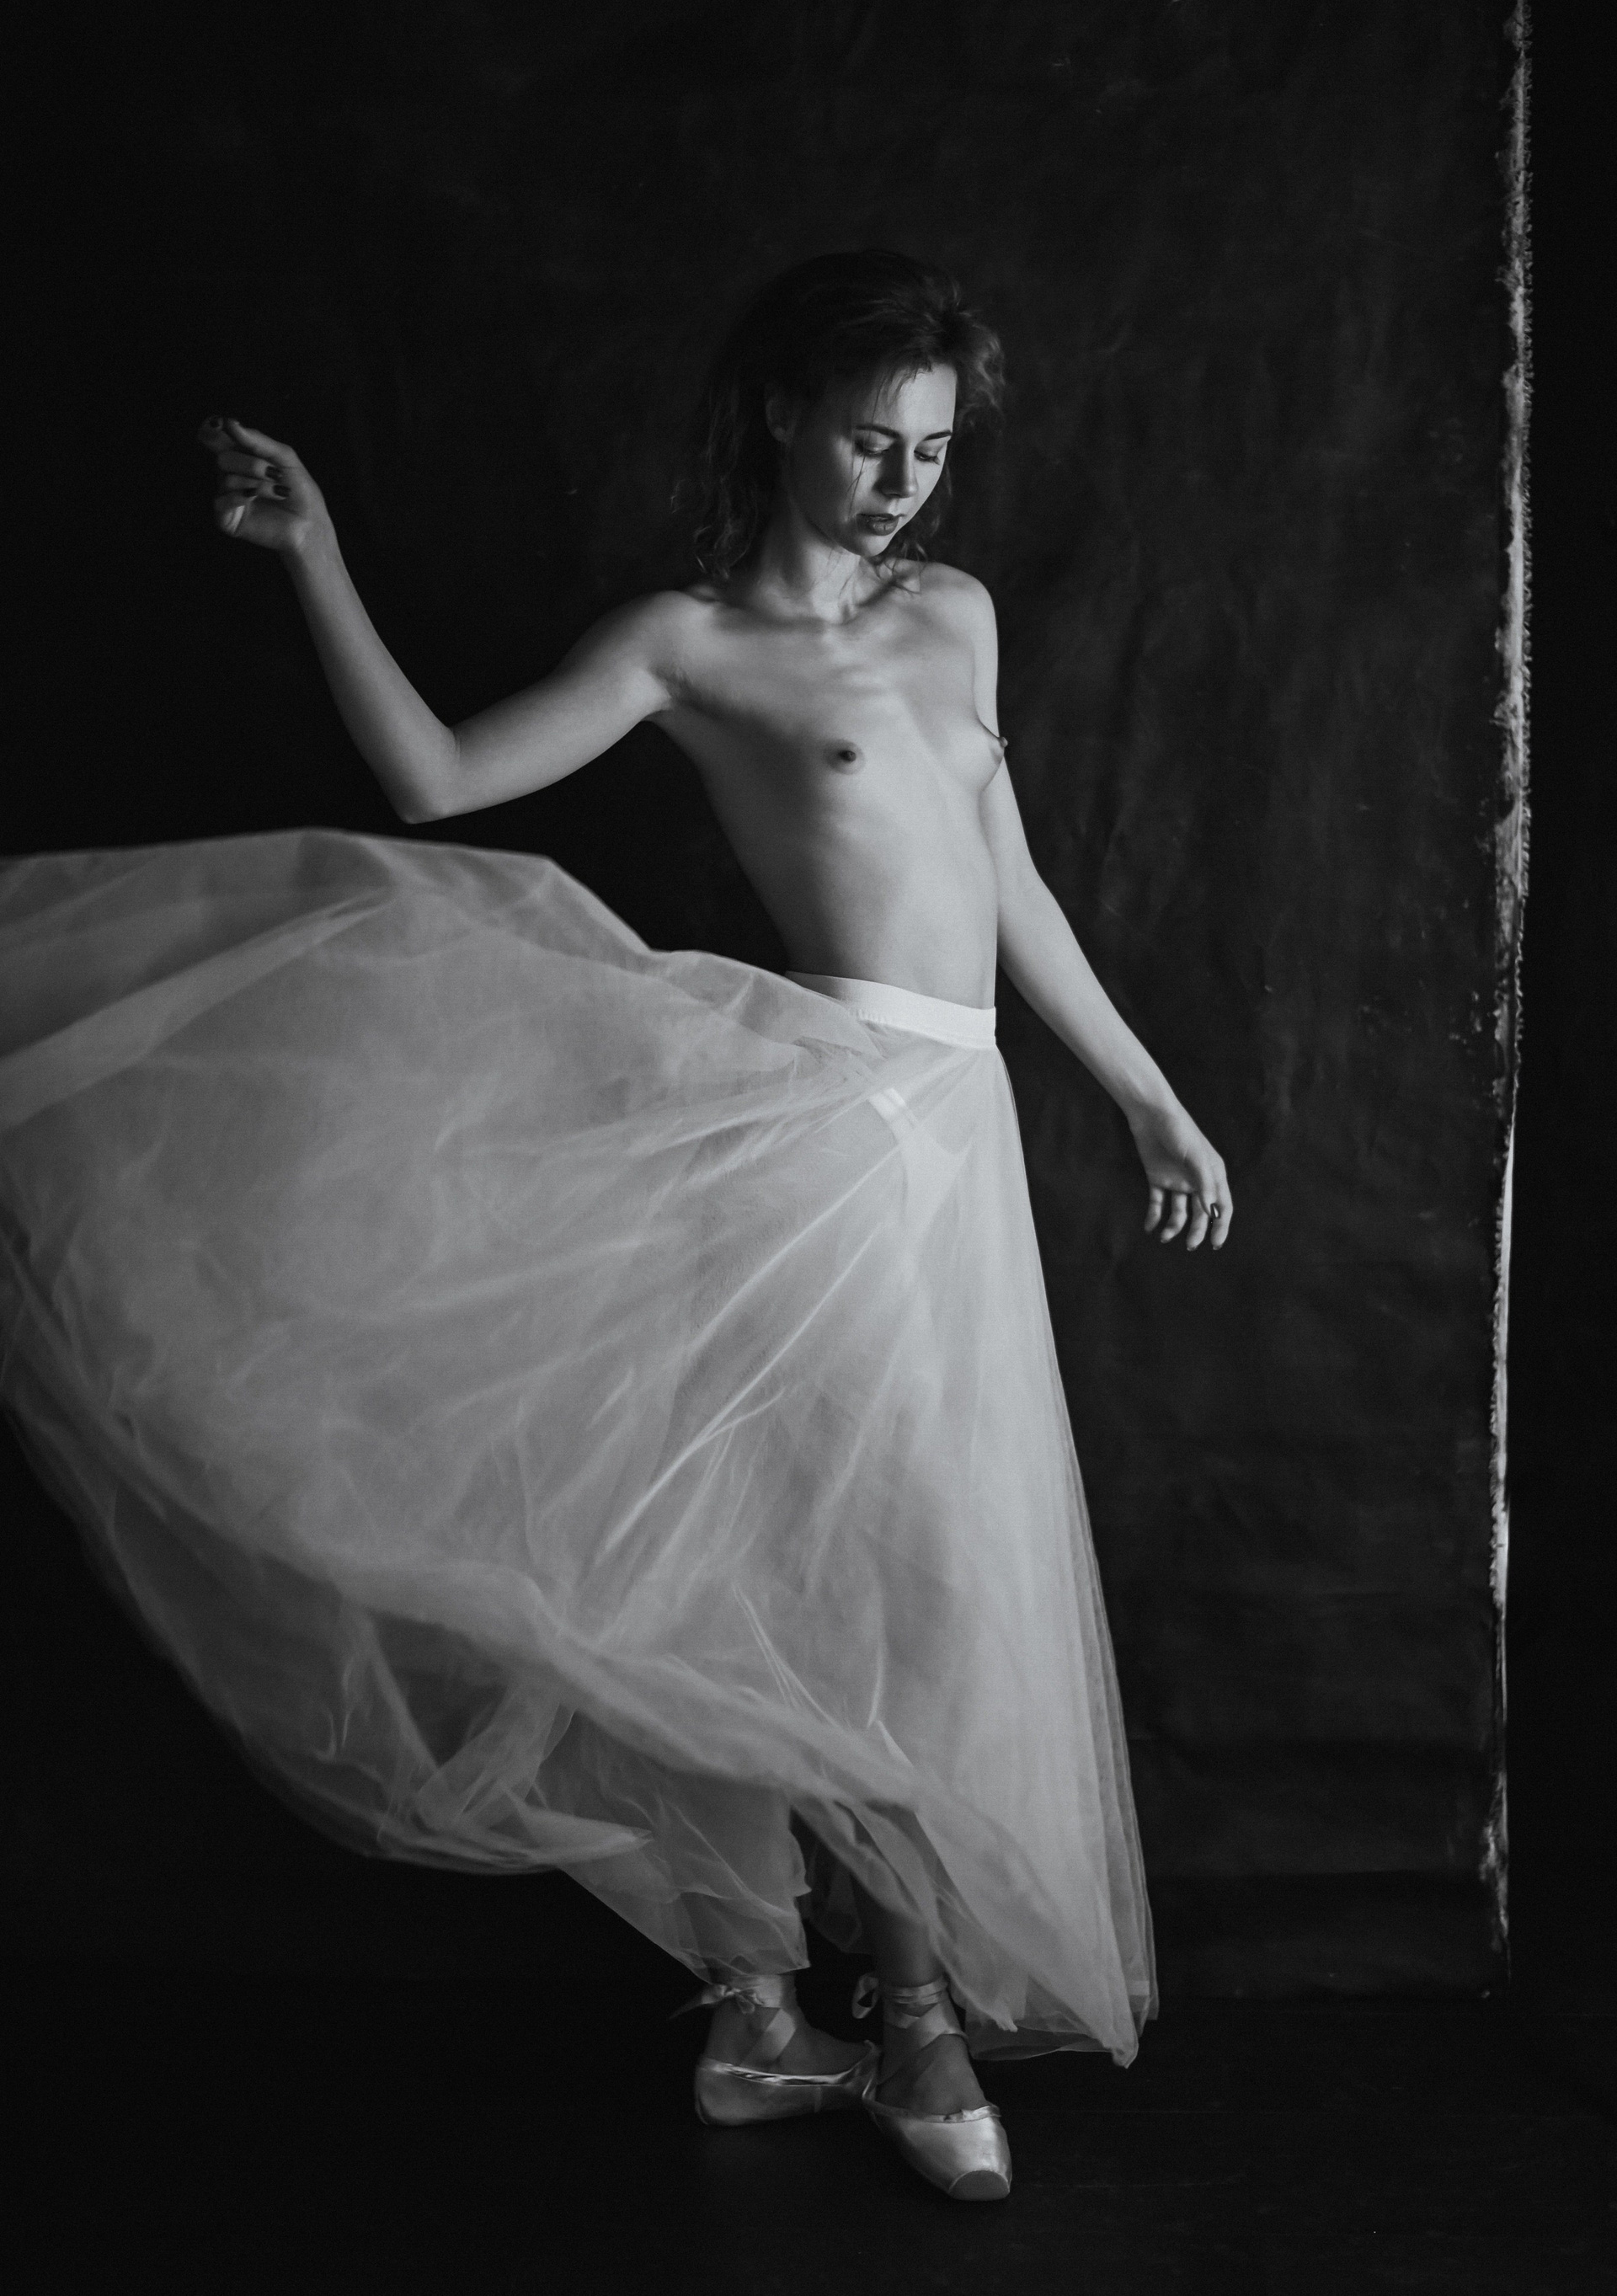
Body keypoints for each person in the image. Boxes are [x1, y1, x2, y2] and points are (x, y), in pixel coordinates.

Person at [0, 251, 1230, 2203]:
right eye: (869, 440)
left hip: (959, 1136)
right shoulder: (687, 644)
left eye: (930, 449)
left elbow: (1002, 870)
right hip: (820, 1134)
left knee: (861, 1572)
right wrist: (317, 555)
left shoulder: (957, 614)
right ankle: (902, 2022)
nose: (902, 483)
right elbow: (432, 779)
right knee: (866, 1583)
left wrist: (1144, 1090)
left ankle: (762, 2020)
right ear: (781, 413)